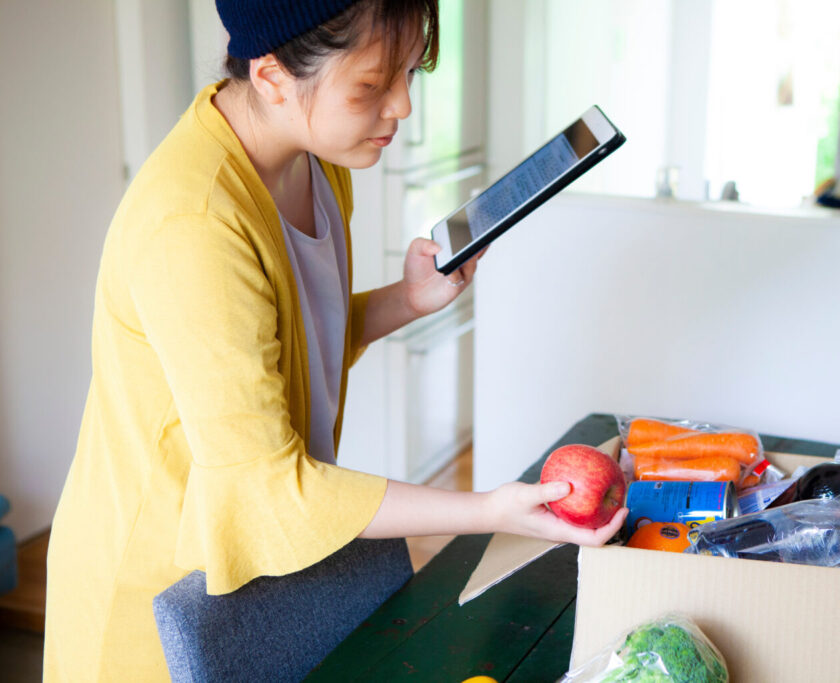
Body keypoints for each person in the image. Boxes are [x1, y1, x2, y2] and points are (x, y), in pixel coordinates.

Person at [43, 0, 626, 679]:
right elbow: (268, 488)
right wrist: (489, 509)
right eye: (373, 85)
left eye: (411, 72)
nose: (403, 105)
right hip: (151, 599)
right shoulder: (194, 223)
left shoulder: (318, 163)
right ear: (271, 77)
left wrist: (408, 300)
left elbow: (289, 343)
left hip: (250, 569)